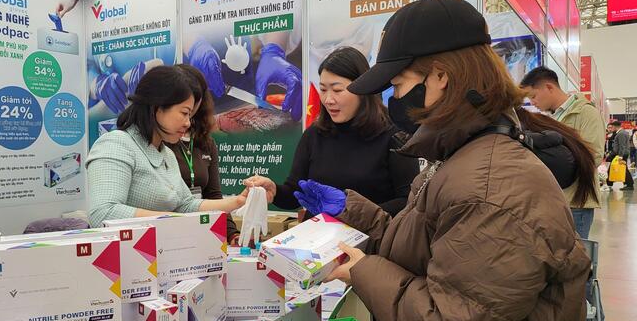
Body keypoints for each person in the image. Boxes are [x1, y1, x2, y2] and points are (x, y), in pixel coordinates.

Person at [265, 0, 589, 321]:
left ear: (439, 77)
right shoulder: (462, 157)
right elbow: (428, 245)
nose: (396, 100)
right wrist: (355, 211)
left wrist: (362, 271)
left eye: (398, 85)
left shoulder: (490, 187)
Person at [246, 47, 419, 217]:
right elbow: (296, 193)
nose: (328, 99)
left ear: (363, 88)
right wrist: (274, 190)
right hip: (317, 234)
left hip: (369, 234)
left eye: (337, 90)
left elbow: (407, 201)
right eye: (323, 89)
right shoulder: (314, 134)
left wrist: (350, 212)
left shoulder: (393, 135)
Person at [85, 66, 250, 226]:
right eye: (184, 113)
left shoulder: (167, 155)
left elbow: (185, 206)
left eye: (190, 115)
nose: (187, 123)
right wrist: (173, 220)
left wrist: (238, 201)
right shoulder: (116, 145)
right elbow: (103, 214)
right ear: (157, 107)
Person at [520, 66, 606, 236]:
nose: (532, 102)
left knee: (575, 249)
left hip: (575, 202)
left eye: (533, 96)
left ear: (549, 87)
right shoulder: (553, 117)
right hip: (555, 199)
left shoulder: (586, 112)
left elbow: (594, 156)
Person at [168, 64, 240, 245]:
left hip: (201, 234)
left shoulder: (206, 143)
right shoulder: (159, 142)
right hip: (168, 233)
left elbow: (213, 195)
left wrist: (232, 234)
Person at [605, 121, 634, 190]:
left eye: (612, 127)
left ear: (615, 127)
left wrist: (620, 156)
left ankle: (629, 185)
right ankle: (609, 183)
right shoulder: (621, 133)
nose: (611, 129)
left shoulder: (621, 134)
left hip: (620, 154)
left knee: (623, 169)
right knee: (615, 169)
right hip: (620, 154)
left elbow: (622, 146)